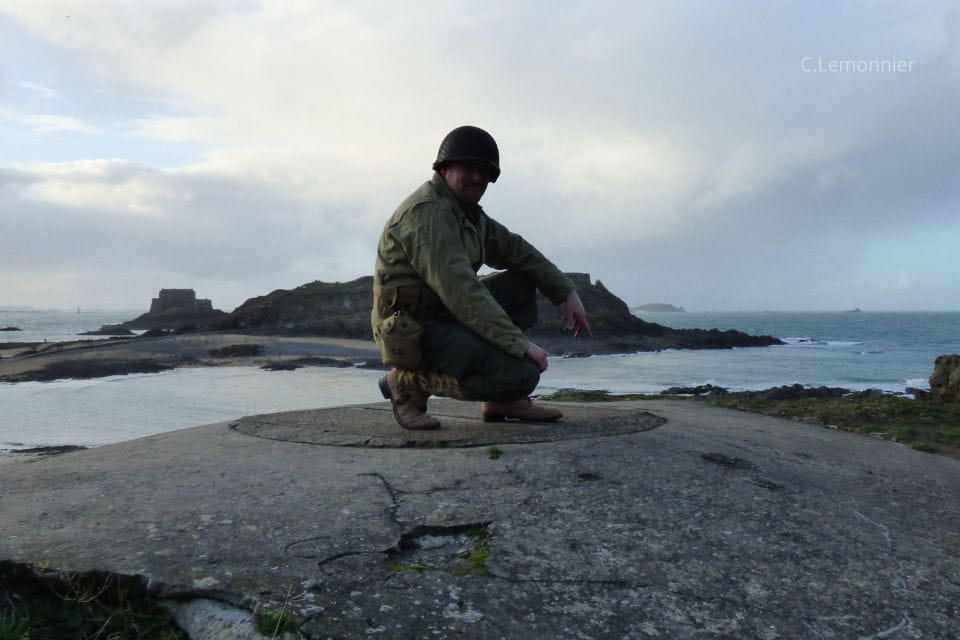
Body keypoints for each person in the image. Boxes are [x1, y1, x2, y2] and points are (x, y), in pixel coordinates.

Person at [372, 125, 591, 430]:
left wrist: (567, 292)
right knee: (522, 375)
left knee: (520, 283)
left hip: (442, 315)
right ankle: (408, 383)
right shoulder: (428, 214)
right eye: (468, 168)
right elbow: (461, 291)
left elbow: (517, 250)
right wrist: (519, 346)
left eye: (484, 171)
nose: (477, 177)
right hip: (413, 330)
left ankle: (504, 401)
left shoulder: (468, 213)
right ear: (445, 168)